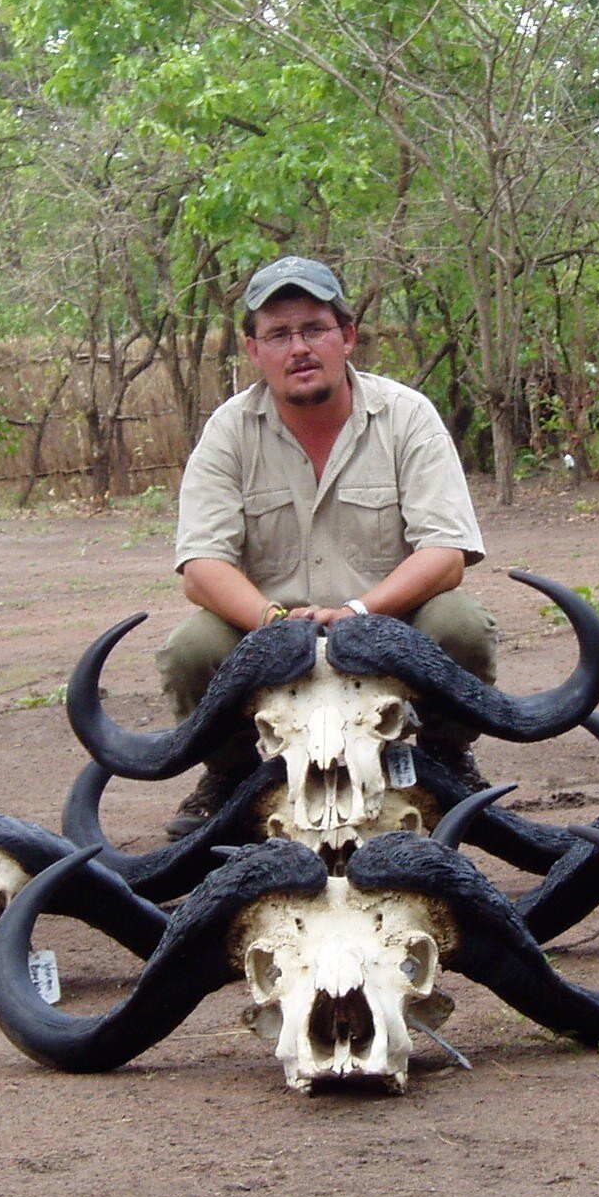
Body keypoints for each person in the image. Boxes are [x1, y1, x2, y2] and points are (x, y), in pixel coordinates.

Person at [157, 255, 499, 837]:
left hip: (390, 626)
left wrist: (360, 615)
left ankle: (444, 758)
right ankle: (231, 775)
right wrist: (275, 624)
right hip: (269, 635)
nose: (299, 348)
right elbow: (201, 568)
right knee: (191, 648)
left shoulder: (407, 416)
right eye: (279, 334)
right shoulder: (228, 431)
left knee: (461, 625)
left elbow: (445, 554)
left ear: (347, 337)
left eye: (315, 329)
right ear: (253, 350)